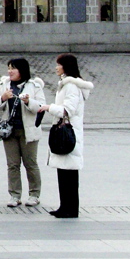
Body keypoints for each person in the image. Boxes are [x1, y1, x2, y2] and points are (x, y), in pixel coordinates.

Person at [37, 53, 93, 218]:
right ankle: (65, 206)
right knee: (63, 171)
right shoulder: (66, 84)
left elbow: (68, 110)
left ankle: (70, 208)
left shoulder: (71, 86)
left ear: (65, 66)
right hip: (67, 132)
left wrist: (49, 107)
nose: (56, 67)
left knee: (69, 174)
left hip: (69, 133)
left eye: (58, 64)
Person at [0, 57, 46, 207]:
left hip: (28, 131)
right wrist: (3, 97)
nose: (10, 71)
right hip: (9, 131)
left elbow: (41, 107)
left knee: (30, 163)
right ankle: (14, 195)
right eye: (8, 68)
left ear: (22, 70)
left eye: (13, 68)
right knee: (12, 164)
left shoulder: (34, 86)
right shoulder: (5, 84)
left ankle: (34, 194)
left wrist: (28, 101)